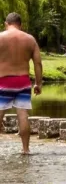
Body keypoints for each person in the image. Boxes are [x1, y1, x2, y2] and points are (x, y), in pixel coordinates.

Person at [0, 12, 43, 154]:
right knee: (23, 114)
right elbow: (38, 63)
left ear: (6, 24)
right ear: (20, 25)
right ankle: (26, 149)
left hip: (4, 80)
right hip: (23, 81)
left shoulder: (1, 37)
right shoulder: (30, 39)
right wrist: (38, 83)